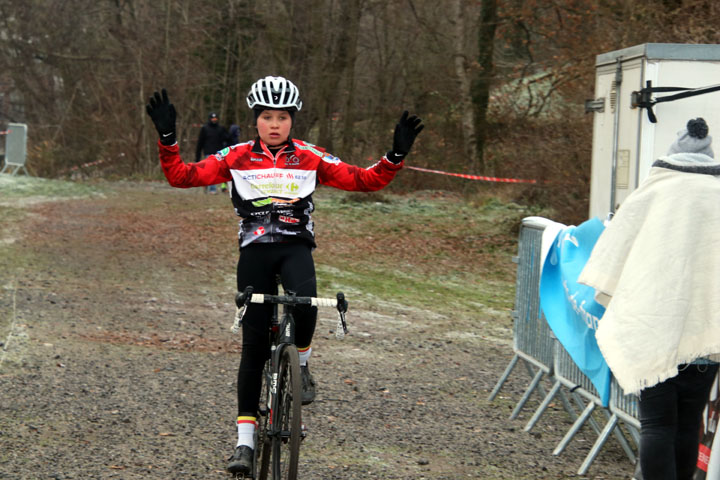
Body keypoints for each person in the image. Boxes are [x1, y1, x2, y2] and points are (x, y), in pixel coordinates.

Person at [145, 76, 424, 476]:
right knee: (253, 346)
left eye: (282, 118)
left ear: (292, 121)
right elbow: (181, 176)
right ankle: (244, 443)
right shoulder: (236, 155)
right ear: (255, 120)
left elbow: (364, 180)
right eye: (266, 117)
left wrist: (394, 155)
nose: (274, 125)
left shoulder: (310, 156)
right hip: (254, 252)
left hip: (295, 248)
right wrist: (167, 136)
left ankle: (303, 363)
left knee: (307, 305)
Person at [579, 118, 720, 480]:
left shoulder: (652, 192)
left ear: (672, 154)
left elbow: (614, 254)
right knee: (689, 424)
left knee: (657, 424)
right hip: (705, 335)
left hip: (652, 327)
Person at [195, 112, 228, 194]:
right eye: (212, 118)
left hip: (219, 153)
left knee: (221, 171)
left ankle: (216, 186)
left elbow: (227, 139)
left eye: (216, 118)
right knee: (211, 171)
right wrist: (197, 156)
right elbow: (200, 142)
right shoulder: (205, 128)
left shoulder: (221, 128)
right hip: (208, 153)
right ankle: (212, 189)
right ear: (210, 119)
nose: (214, 120)